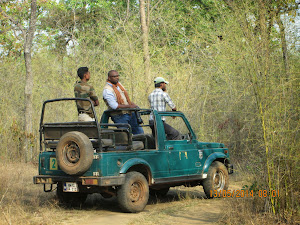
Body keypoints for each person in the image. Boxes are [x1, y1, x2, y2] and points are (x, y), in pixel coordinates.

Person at [102, 70, 144, 135]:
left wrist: (132, 104)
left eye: (118, 76)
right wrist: (129, 106)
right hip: (119, 115)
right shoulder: (107, 90)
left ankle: (142, 144)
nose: (117, 78)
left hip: (129, 113)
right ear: (109, 78)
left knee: (140, 133)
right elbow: (114, 106)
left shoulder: (119, 85)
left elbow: (124, 99)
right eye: (114, 76)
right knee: (125, 135)